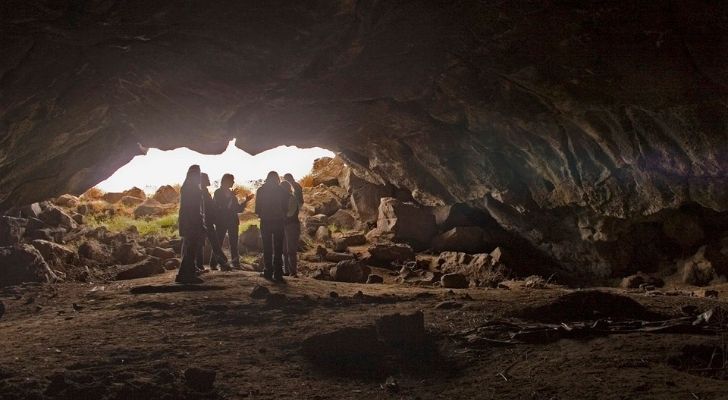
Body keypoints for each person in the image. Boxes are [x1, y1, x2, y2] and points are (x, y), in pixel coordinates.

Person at [213, 173, 253, 269]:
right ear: (226, 181)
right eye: (232, 180)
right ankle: (213, 264)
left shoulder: (232, 194)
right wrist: (231, 196)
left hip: (232, 221)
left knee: (234, 243)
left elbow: (238, 209)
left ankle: (236, 263)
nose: (234, 182)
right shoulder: (218, 192)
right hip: (221, 221)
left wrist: (246, 201)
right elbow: (221, 206)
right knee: (218, 243)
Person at [255, 171, 288, 282]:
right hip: (278, 221)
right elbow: (286, 207)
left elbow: (257, 208)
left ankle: (268, 271)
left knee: (267, 247)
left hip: (265, 221)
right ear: (277, 179)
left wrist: (261, 214)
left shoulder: (261, 190)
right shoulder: (281, 190)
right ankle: (278, 273)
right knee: (278, 248)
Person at [176, 165, 205, 284]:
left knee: (190, 249)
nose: (199, 177)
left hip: (189, 222)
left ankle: (186, 274)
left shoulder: (188, 186)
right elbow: (193, 209)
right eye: (198, 175)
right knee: (190, 249)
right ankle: (185, 275)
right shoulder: (191, 188)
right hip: (191, 223)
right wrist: (199, 222)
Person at [197, 173, 230, 271]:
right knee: (213, 244)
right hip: (205, 222)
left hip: (206, 222)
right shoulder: (202, 192)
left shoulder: (204, 192)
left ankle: (202, 265)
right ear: (202, 180)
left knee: (209, 244)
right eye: (207, 178)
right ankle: (222, 262)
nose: (209, 180)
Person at [280, 180, 301, 277]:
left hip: (292, 225)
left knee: (291, 250)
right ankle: (287, 271)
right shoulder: (284, 199)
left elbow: (290, 214)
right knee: (284, 250)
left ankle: (293, 272)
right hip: (285, 225)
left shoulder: (292, 198)